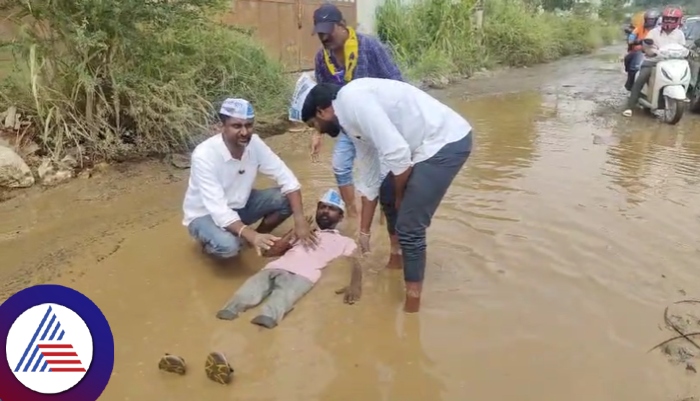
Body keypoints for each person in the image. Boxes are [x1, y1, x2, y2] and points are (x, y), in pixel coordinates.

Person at [300, 78, 473, 313]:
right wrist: (364, 232)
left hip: (446, 141)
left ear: (323, 111)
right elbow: (370, 176)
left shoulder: (353, 102)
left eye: (314, 124)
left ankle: (412, 305)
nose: (317, 130)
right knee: (386, 190)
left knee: (410, 225)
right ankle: (396, 259)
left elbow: (398, 154)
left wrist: (403, 198)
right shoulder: (350, 122)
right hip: (421, 146)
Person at [182, 98, 316, 259]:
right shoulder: (204, 155)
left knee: (286, 199)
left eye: (249, 125)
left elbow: (287, 178)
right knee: (229, 247)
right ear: (221, 127)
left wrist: (300, 220)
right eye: (237, 126)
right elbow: (218, 209)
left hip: (239, 205)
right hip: (205, 214)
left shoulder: (255, 144)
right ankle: (211, 246)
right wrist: (250, 234)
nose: (245, 132)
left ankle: (258, 241)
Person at [214, 189, 362, 329]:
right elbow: (270, 253)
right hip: (274, 267)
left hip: (304, 276)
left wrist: (355, 285)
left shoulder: (345, 241)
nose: (325, 211)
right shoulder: (301, 232)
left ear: (341, 217)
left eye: (331, 209)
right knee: (240, 298)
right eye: (322, 207)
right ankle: (226, 320)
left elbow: (356, 261)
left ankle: (261, 330)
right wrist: (294, 232)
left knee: (275, 309)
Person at [310, 4, 403, 218]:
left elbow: (396, 81)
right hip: (347, 125)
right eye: (320, 33)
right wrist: (317, 132)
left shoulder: (369, 47)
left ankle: (384, 216)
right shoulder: (321, 58)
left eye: (328, 31)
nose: (324, 37)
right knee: (340, 166)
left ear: (342, 25)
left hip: (377, 123)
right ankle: (352, 214)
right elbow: (322, 97)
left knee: (381, 175)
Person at [624, 6, 686, 117]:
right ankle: (630, 106)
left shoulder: (679, 34)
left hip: (673, 62)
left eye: (672, 19)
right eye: (667, 18)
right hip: (653, 61)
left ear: (678, 20)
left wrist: (685, 52)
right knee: (641, 78)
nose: (669, 21)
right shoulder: (654, 32)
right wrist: (652, 51)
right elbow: (647, 45)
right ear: (663, 18)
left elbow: (682, 47)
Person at [624, 9, 659, 91]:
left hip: (656, 52)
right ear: (645, 19)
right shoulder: (639, 28)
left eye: (652, 19)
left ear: (656, 20)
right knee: (632, 66)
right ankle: (630, 83)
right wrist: (638, 41)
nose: (650, 21)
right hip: (640, 51)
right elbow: (631, 39)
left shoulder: (659, 30)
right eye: (649, 19)